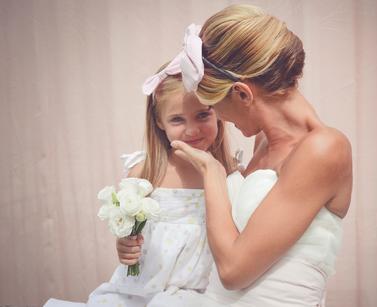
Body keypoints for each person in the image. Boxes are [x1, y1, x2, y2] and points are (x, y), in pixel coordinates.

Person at [138, 4, 352, 307]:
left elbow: (233, 271)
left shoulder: (324, 148)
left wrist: (213, 173)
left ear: (242, 93)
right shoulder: (263, 140)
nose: (220, 117)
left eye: (212, 105)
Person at [44, 53, 236, 307]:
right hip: (139, 289)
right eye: (177, 119)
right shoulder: (145, 173)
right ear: (159, 122)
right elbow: (133, 233)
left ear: (218, 112)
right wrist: (124, 245)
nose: (191, 130)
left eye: (203, 115)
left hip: (197, 293)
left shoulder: (228, 174)